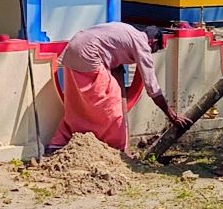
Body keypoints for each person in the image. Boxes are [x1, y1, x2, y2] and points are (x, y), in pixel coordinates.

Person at [47, 22, 188, 153]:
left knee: (77, 104)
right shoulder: (142, 44)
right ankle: (115, 148)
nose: (150, 53)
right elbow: (152, 87)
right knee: (113, 103)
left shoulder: (128, 31)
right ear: (153, 42)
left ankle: (59, 142)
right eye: (154, 50)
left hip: (73, 48)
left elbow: (109, 45)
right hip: (88, 54)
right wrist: (171, 115)